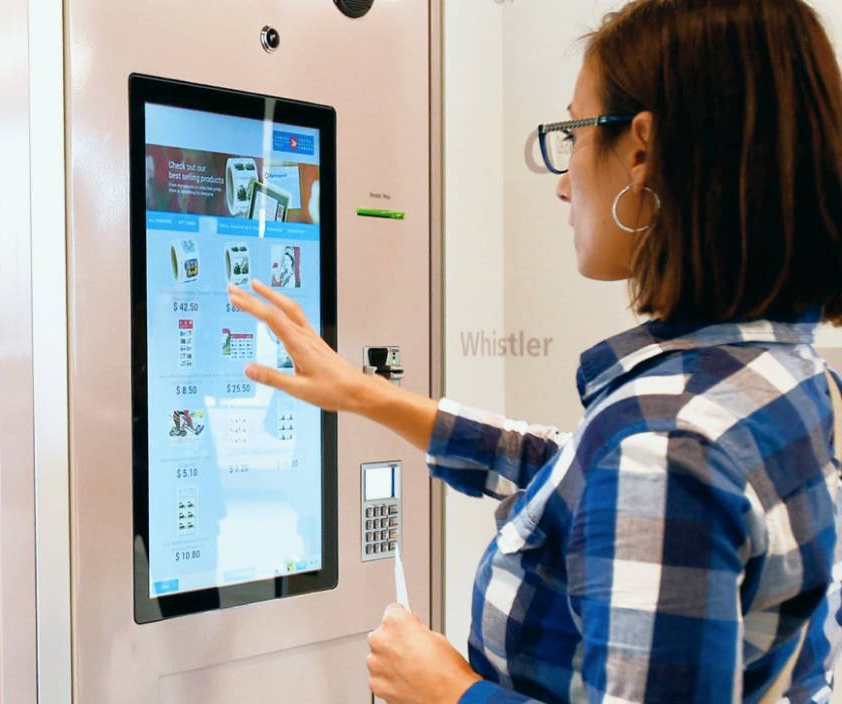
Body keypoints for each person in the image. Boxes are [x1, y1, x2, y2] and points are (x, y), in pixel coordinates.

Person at [228, 0, 842, 701]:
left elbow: (643, 473)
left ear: (641, 151)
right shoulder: (786, 379)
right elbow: (582, 471)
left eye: (573, 132)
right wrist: (364, 393)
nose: (561, 181)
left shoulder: (664, 445)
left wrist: (450, 691)